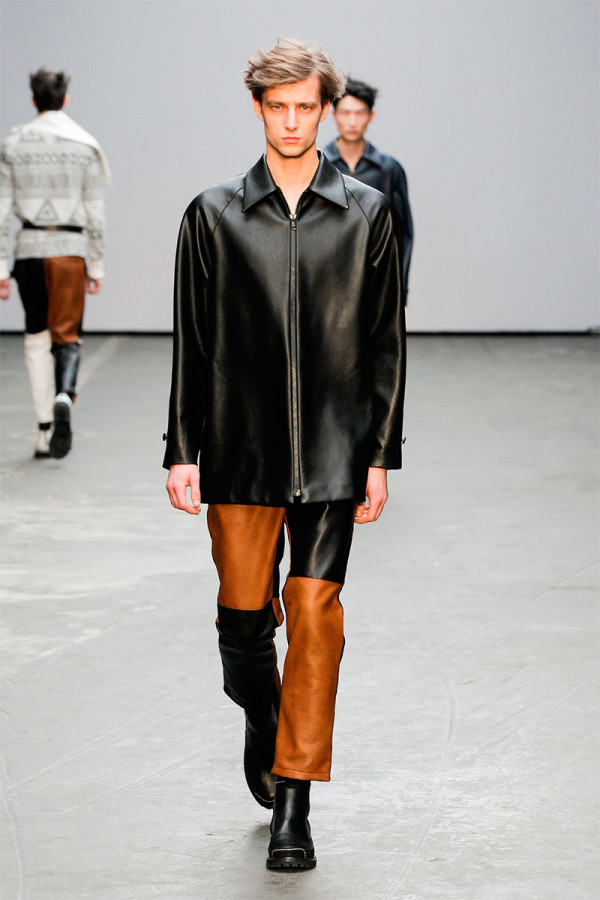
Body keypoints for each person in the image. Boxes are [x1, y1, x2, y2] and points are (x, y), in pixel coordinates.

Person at [163, 38, 406, 871]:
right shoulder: (213, 215)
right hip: (239, 446)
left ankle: (293, 801)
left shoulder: (367, 212)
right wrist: (182, 448)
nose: (294, 122)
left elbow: (385, 343)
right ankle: (263, 720)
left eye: (307, 107)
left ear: (326, 109)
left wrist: (379, 455)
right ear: (258, 109)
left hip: (337, 449)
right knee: (242, 623)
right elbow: (192, 341)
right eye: (279, 108)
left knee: (313, 614)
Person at [0, 68, 111, 459]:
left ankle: (44, 428)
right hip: (69, 252)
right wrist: (96, 264)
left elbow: (0, 211)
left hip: (29, 250)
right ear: (65, 100)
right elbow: (96, 212)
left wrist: (0, 268)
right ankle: (65, 393)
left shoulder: (12, 145)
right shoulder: (85, 146)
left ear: (34, 100)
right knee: (67, 335)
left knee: (35, 338)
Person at [324, 78, 413, 304]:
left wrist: (398, 289)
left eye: (360, 113)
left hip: (376, 282)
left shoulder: (389, 169)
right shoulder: (318, 167)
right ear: (334, 115)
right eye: (345, 113)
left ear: (370, 116)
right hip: (326, 284)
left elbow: (402, 233)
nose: (352, 121)